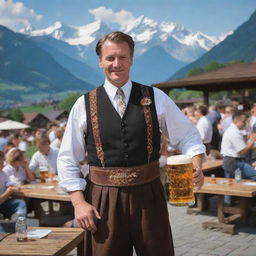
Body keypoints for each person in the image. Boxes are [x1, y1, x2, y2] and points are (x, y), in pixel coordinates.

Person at [57, 31, 205, 256]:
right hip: (102, 199)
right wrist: (79, 203)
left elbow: (188, 136)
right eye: (110, 58)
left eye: (123, 57)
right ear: (100, 62)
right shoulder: (83, 104)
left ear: (132, 59)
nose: (116, 64)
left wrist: (196, 163)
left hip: (149, 194)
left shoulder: (156, 97)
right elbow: (68, 158)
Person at [221, 111, 256, 180]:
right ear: (236, 120)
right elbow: (242, 151)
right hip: (234, 162)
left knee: (238, 182)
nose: (245, 124)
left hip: (232, 161)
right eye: (244, 122)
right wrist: (252, 140)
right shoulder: (234, 132)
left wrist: (249, 138)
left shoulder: (233, 130)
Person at [0, 151, 27, 219]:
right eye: (3, 160)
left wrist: (12, 189)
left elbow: (10, 185)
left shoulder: (3, 173)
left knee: (20, 203)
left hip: (3, 202)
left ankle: (19, 222)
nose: (4, 162)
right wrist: (8, 192)